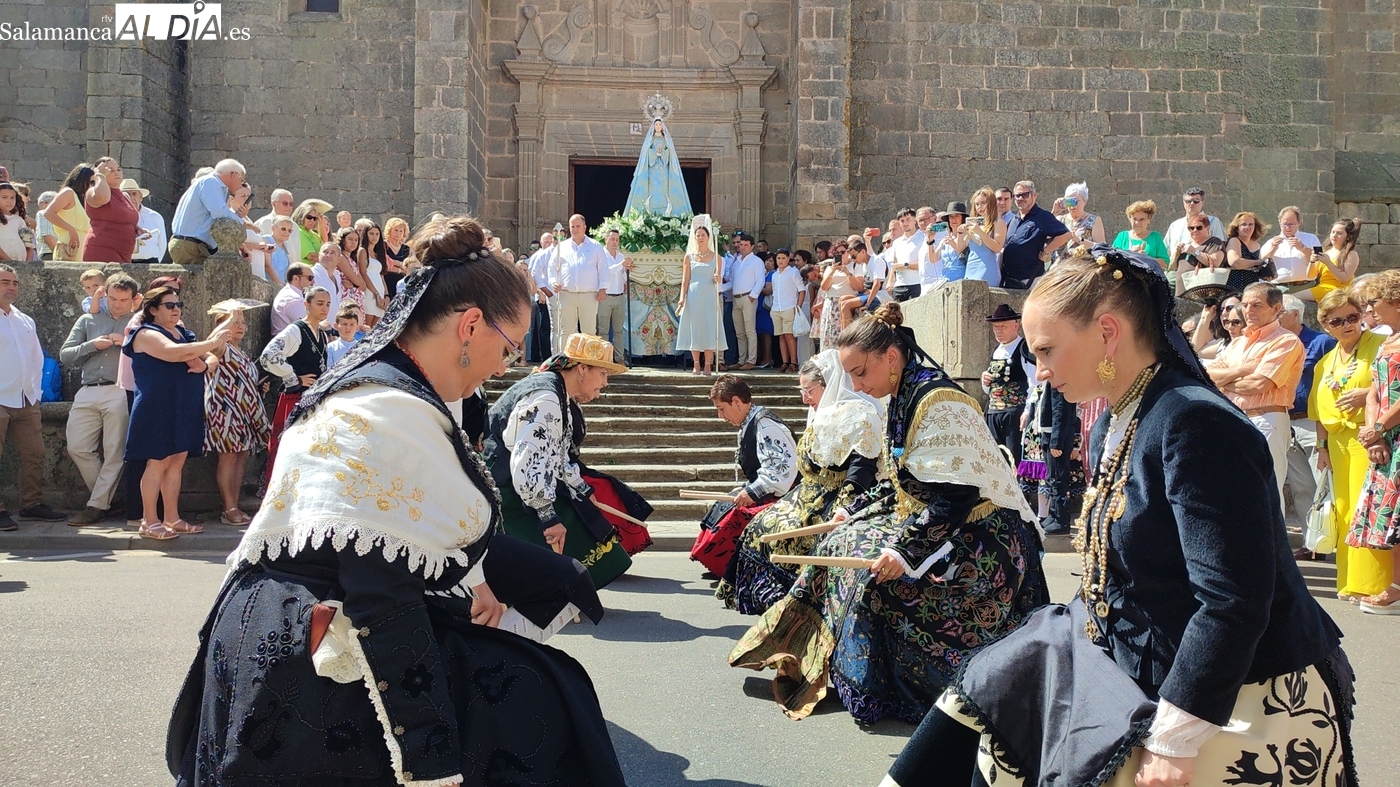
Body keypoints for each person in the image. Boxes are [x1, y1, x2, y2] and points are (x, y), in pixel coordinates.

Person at [166, 214, 624, 787]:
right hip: (310, 645)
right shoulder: (388, 409)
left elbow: (399, 527)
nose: (505, 365)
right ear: (470, 325)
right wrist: (430, 757)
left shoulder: (379, 388)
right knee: (546, 699)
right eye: (508, 347)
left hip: (287, 611)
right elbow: (380, 592)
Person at [882, 245, 1354, 787]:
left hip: (1241, 692)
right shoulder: (1118, 419)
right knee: (993, 684)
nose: (1040, 371)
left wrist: (1178, 736)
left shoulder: (1195, 424)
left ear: (1107, 332)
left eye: (1048, 350)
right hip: (1145, 658)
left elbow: (1234, 601)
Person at [731, 301, 1045, 724]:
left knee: (873, 577)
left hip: (985, 539)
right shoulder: (899, 396)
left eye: (861, 373)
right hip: (938, 522)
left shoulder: (939, 403)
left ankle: (886, 684)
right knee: (840, 538)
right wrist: (856, 509)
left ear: (891, 357)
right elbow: (901, 480)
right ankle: (809, 655)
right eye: (851, 377)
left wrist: (903, 553)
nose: (857, 387)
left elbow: (955, 498)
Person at [717, 351, 882, 614]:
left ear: (828, 385)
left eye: (809, 390)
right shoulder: (819, 414)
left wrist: (844, 509)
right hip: (807, 494)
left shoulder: (860, 415)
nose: (804, 398)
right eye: (801, 390)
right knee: (759, 527)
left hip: (837, 498)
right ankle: (769, 602)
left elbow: (861, 470)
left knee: (792, 535)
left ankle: (798, 604)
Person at [484, 333, 635, 590]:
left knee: (581, 510)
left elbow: (558, 455)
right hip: (505, 491)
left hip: (517, 483)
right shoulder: (546, 399)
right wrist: (547, 515)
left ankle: (570, 590)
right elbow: (527, 461)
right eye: (603, 374)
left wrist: (584, 489)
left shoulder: (558, 395)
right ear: (583, 369)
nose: (605, 383)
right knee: (567, 520)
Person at [124, 286, 227, 539]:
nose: (176, 309)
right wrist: (213, 342)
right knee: (157, 461)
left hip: (183, 403)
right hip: (157, 405)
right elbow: (175, 353)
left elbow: (209, 358)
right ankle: (149, 521)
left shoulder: (181, 331)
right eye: (169, 305)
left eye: (178, 305)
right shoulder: (145, 333)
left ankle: (172, 518)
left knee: (176, 461)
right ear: (152, 310)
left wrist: (205, 363)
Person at [1310, 288, 1393, 601]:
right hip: (1337, 442)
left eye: (1353, 317)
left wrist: (1367, 392)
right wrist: (1321, 447)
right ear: (1326, 326)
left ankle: (1374, 583)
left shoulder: (1379, 346)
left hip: (1367, 435)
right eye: (1337, 321)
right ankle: (1350, 581)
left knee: (1367, 509)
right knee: (1344, 512)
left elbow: (1388, 382)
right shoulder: (1327, 360)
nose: (1346, 325)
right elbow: (1317, 408)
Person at [691, 375, 799, 578]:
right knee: (723, 506)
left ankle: (733, 567)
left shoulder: (767, 426)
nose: (720, 416)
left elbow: (781, 470)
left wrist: (751, 491)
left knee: (735, 514)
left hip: (784, 494)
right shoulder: (752, 422)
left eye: (721, 409)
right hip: (771, 488)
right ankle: (724, 565)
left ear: (737, 402)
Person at [1207, 282, 1305, 501]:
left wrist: (1224, 381)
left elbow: (1259, 385)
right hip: (1232, 419)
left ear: (1276, 308)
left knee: (1265, 492)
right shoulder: (1236, 343)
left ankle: (1271, 537)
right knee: (1231, 491)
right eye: (1245, 305)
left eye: (1256, 305)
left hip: (1265, 419)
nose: (1248, 311)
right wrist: (1242, 370)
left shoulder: (1286, 341)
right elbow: (1207, 377)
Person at [60, 273, 140, 525]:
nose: (117, 304)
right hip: (87, 388)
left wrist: (125, 342)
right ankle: (108, 499)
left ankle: (96, 505)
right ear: (105, 295)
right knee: (77, 447)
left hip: (120, 388)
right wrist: (92, 345)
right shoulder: (88, 320)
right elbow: (65, 355)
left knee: (115, 451)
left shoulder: (139, 323)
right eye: (113, 298)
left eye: (123, 300)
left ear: (134, 299)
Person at [1347, 269, 1400, 614]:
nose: (1370, 309)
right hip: (1385, 436)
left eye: (1374, 301)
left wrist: (1379, 426)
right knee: (1394, 519)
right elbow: (1374, 393)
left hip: (1392, 431)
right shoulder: (1387, 342)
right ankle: (1396, 585)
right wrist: (1372, 436)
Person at [0, 265, 66, 530]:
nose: (12, 287)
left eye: (15, 282)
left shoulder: (25, 320)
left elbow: (37, 358)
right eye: (5, 282)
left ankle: (31, 505)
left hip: (26, 399)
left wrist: (35, 393)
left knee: (35, 454)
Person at [202, 304, 270, 527]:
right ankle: (228, 506)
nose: (239, 326)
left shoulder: (241, 350)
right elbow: (211, 346)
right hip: (225, 409)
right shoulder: (221, 347)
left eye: (242, 322)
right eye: (234, 323)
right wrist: (228, 319)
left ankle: (235, 503)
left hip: (245, 411)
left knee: (241, 456)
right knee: (228, 456)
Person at [1278, 294, 1337, 540]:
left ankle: (1334, 538)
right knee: (1301, 486)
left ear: (1294, 314)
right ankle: (1312, 539)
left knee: (1323, 481)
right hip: (1285, 421)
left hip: (1312, 422)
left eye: (1279, 312)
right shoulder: (1276, 343)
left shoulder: (1321, 342)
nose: (1276, 317)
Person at [259, 286, 332, 481]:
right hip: (296, 399)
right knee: (291, 449)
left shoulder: (322, 334)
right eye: (319, 303)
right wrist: (293, 378)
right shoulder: (296, 330)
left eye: (327, 304)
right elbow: (268, 356)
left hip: (314, 398)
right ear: (306, 305)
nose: (324, 308)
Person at [1017, 380, 1083, 535]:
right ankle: (1053, 515)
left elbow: (1060, 414)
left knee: (1058, 480)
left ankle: (1061, 520)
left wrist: (1056, 443)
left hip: (1056, 438)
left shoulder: (1058, 383)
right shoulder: (1051, 383)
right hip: (1048, 435)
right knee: (1052, 478)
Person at [981, 304, 1037, 466]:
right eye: (996, 327)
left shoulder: (1024, 348)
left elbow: (1034, 383)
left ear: (1015, 325)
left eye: (1003, 326)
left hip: (1014, 413)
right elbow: (990, 387)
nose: (998, 330)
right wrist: (985, 381)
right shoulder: (996, 350)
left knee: (1014, 459)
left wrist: (1028, 412)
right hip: (993, 413)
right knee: (994, 459)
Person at [168, 159, 251, 265]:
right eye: (242, 181)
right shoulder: (210, 182)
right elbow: (219, 212)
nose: (241, 185)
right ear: (234, 175)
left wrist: (238, 218)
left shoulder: (213, 185)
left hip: (193, 246)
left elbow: (216, 219)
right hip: (191, 246)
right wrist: (242, 222)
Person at [675, 215, 728, 375]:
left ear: (708, 237)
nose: (700, 238)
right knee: (695, 328)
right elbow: (685, 279)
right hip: (693, 295)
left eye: (703, 235)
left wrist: (718, 278)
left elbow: (718, 279)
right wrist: (682, 298)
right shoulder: (689, 257)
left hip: (710, 295)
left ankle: (708, 364)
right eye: (697, 235)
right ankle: (696, 363)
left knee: (710, 328)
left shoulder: (716, 257)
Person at [549, 214, 608, 353]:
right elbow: (551, 267)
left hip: (589, 295)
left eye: (578, 226)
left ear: (584, 227)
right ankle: (564, 360)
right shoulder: (561, 247)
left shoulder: (595, 246)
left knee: (589, 330)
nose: (575, 229)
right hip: (566, 294)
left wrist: (603, 288)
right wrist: (553, 282)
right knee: (566, 330)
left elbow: (603, 268)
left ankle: (589, 362)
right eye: (572, 227)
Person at [1002, 180, 1071, 289]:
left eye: (1025, 195)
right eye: (1017, 196)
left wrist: (1046, 250)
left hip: (1030, 280)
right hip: (1009, 280)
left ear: (1034, 195)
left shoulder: (1043, 217)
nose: (1020, 198)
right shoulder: (1014, 219)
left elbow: (1065, 234)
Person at [624, 117, 693, 215]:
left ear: (662, 127)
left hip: (664, 170)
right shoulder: (650, 140)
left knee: (664, 190)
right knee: (652, 189)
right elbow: (646, 155)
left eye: (660, 124)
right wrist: (654, 152)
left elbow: (670, 154)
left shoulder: (666, 140)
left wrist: (663, 153)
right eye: (656, 124)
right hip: (651, 171)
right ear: (653, 126)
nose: (658, 126)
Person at [81, 157, 140, 264]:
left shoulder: (124, 196)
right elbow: (103, 196)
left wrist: (136, 229)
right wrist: (100, 176)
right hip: (102, 249)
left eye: (118, 169)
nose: (117, 173)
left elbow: (124, 218)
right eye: (110, 170)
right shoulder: (92, 192)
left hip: (124, 254)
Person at [42, 162, 95, 262]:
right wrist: (70, 229)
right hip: (69, 246)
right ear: (82, 179)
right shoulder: (68, 193)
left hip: (84, 248)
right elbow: (48, 213)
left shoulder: (87, 199)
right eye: (91, 182)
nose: (93, 186)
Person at [1301, 218, 1362, 303]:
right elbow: (1310, 276)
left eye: (1339, 233)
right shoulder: (1326, 251)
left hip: (1339, 290)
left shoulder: (1351, 254)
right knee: (1288, 297)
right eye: (1333, 232)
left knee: (1292, 297)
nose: (1334, 235)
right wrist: (1312, 262)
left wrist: (1328, 263)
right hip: (1323, 287)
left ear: (1348, 236)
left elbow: (1344, 278)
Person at [729, 233, 765, 369]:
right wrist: (718, 287)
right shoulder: (736, 262)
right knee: (739, 332)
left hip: (748, 298)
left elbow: (760, 281)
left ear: (752, 246)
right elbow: (732, 282)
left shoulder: (756, 261)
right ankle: (741, 359)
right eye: (741, 244)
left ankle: (751, 360)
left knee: (750, 330)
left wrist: (752, 296)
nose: (742, 247)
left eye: (745, 245)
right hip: (736, 298)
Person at [1162, 186, 1226, 262]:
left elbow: (1220, 248)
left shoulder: (1213, 222)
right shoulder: (1175, 225)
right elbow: (1165, 251)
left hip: (1202, 270)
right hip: (1176, 270)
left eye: (1196, 201)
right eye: (1188, 201)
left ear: (1202, 203)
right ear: (1183, 203)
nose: (1192, 203)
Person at [1260, 205, 1322, 284]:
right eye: (1285, 224)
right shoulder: (1271, 242)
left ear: (1299, 222)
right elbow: (1261, 263)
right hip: (1279, 287)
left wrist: (1303, 248)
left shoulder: (1311, 238)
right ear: (1279, 223)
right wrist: (1273, 248)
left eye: (1291, 224)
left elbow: (1320, 260)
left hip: (1305, 286)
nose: (1288, 228)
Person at [1171, 213, 1228, 297]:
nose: (1195, 230)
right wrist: (1176, 255)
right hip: (1181, 293)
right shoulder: (1186, 245)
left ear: (1207, 228)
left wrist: (1194, 251)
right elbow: (1173, 268)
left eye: (1199, 227)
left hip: (1202, 294)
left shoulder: (1214, 242)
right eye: (1191, 228)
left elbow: (1215, 262)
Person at [596, 228, 634, 351]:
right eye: (612, 239)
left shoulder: (620, 256)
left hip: (619, 296)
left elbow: (623, 277)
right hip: (605, 296)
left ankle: (619, 357)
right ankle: (604, 358)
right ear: (606, 239)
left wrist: (628, 270)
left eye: (617, 240)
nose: (614, 242)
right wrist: (621, 265)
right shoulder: (601, 255)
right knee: (603, 330)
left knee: (619, 330)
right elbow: (606, 272)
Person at [961, 187, 1006, 286]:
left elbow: (997, 247)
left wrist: (979, 232)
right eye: (977, 204)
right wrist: (961, 233)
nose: (979, 207)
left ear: (991, 203)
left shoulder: (998, 222)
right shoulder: (974, 223)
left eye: (983, 203)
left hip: (987, 267)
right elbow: (960, 249)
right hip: (971, 266)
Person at [1050, 181, 1106, 259]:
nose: (1073, 205)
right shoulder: (1059, 220)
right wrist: (1054, 212)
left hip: (1082, 268)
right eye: (1070, 201)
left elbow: (1101, 248)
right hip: (1060, 268)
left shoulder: (1094, 220)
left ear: (1085, 201)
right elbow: (1043, 236)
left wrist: (1078, 240)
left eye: (1076, 201)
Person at [769, 248, 803, 373]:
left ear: (788, 259)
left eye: (783, 258)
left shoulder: (793, 272)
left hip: (789, 306)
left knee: (789, 335)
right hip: (777, 308)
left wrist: (798, 306)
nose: (781, 261)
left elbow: (801, 290)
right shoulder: (774, 275)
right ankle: (785, 361)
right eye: (778, 258)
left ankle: (793, 362)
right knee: (781, 336)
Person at [1112, 199, 1169, 269]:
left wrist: (1147, 259)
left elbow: (1165, 263)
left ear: (1149, 220)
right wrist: (1130, 254)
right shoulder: (1122, 236)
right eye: (1134, 219)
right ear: (1130, 219)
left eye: (1141, 219)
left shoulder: (1155, 237)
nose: (1137, 223)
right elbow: (1112, 259)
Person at [121, 179, 167, 265]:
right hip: (126, 263)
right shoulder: (116, 218)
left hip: (151, 262)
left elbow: (162, 245)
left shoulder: (155, 217)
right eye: (126, 195)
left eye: (134, 194)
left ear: (141, 197)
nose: (131, 198)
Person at [886, 208, 926, 301]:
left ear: (915, 220)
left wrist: (905, 266)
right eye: (902, 221)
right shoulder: (897, 242)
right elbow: (895, 264)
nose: (905, 223)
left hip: (917, 283)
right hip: (899, 286)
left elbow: (925, 264)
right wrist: (890, 282)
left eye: (908, 219)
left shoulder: (923, 237)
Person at [271, 262, 313, 333]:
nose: (313, 282)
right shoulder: (292, 298)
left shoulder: (290, 293)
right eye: (310, 278)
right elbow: (307, 326)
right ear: (296, 278)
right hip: (289, 342)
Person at [0, 182, 33, 262]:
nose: (9, 201)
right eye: (4, 197)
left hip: (21, 264)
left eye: (12, 198)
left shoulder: (19, 220)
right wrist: (8, 261)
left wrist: (28, 264)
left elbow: (29, 244)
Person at [381, 216, 411, 299]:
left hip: (401, 285)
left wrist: (394, 264)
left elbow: (408, 268)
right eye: (396, 230)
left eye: (401, 231)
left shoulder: (406, 249)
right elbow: (385, 266)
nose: (398, 233)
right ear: (389, 230)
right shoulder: (383, 246)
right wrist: (401, 268)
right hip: (386, 282)